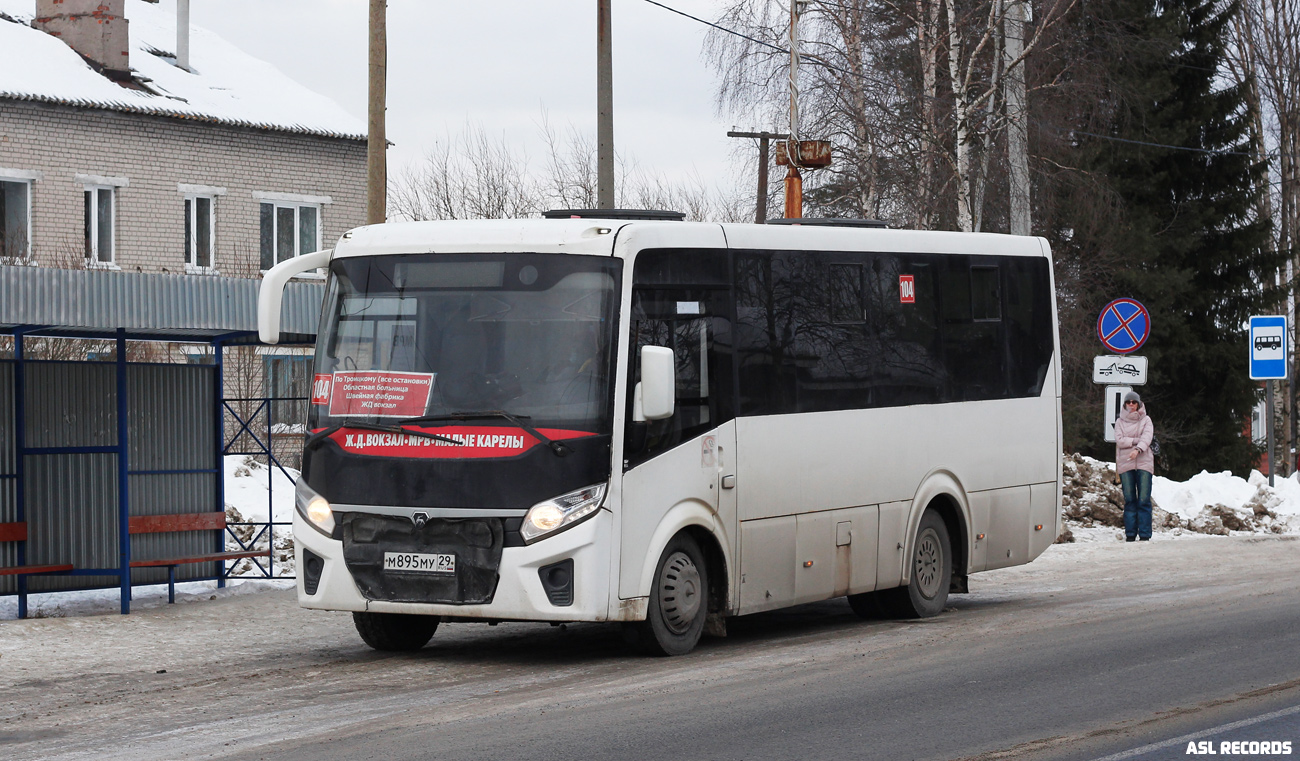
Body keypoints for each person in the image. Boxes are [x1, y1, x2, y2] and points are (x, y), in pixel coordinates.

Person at [1114, 391, 1155, 542]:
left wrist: (1137, 449)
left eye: (1134, 402)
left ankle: (1145, 534)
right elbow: (1119, 440)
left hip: (1144, 463)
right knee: (1130, 499)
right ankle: (1130, 534)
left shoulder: (1146, 420)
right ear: (1124, 404)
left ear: (1138, 404)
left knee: (1143, 499)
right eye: (1128, 402)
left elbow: (1147, 438)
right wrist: (1136, 441)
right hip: (1126, 464)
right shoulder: (1119, 422)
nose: (1131, 404)